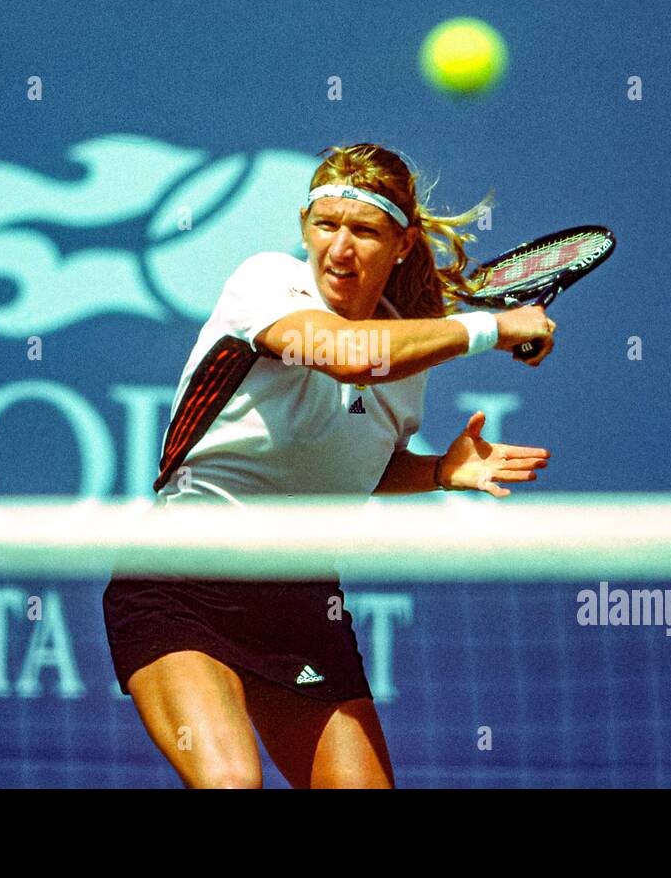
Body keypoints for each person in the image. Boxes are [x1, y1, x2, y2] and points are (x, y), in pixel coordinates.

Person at [103, 142, 556, 788]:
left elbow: (352, 464)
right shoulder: (265, 282)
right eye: (326, 225)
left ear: (401, 244)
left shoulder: (407, 353)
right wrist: (490, 328)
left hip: (301, 602)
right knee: (231, 782)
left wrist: (436, 471)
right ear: (304, 228)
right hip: (180, 581)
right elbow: (345, 352)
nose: (339, 248)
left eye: (365, 230)